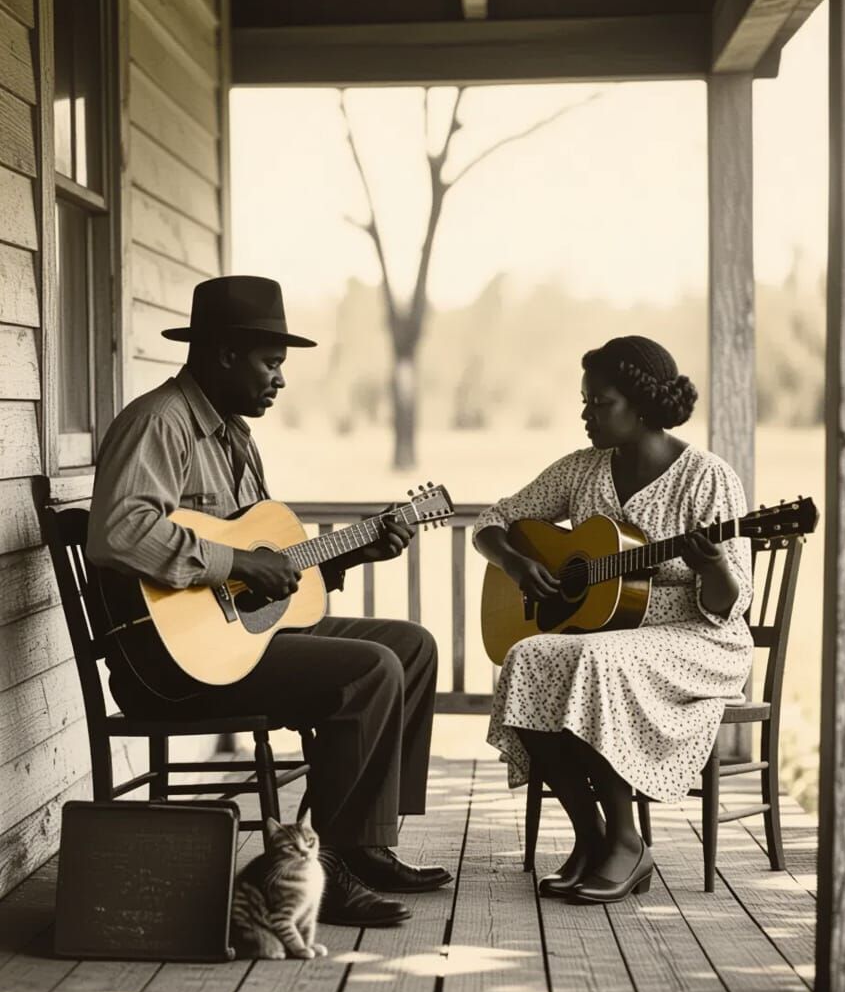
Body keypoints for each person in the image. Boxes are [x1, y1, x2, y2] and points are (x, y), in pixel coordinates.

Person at [87, 275, 451, 928]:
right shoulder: (157, 424)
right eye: (271, 363)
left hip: (228, 643)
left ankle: (363, 845)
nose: (279, 379)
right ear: (226, 353)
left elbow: (266, 571)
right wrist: (234, 561)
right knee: (370, 669)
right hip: (167, 666)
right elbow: (119, 533)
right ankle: (325, 871)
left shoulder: (236, 438)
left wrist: (351, 554)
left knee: (411, 647)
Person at [473, 335, 753, 904]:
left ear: (643, 404)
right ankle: (591, 835)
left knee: (599, 657)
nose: (585, 415)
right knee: (526, 657)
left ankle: (628, 843)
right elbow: (494, 519)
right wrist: (518, 562)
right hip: (612, 638)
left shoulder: (707, 477)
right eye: (585, 402)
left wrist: (714, 563)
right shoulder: (582, 470)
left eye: (600, 404)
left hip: (697, 639)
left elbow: (729, 604)